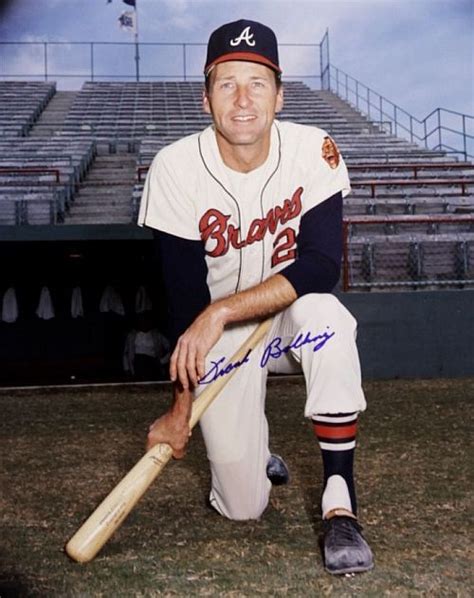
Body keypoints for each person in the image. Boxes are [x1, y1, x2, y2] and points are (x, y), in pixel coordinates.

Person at [138, 19, 374, 575]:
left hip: (290, 313)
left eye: (258, 83)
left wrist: (221, 309)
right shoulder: (174, 167)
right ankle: (254, 447)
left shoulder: (313, 148)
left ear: (279, 94)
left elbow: (321, 264)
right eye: (226, 84)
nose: (243, 99)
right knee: (243, 508)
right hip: (219, 334)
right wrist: (179, 410)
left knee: (330, 318)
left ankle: (340, 498)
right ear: (205, 98)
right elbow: (184, 303)